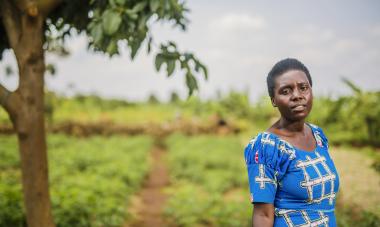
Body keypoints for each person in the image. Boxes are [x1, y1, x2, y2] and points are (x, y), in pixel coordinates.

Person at [244, 58, 340, 227]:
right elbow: (263, 215)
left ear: (311, 91)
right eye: (286, 91)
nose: (297, 96)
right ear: (273, 100)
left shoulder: (317, 135)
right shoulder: (267, 147)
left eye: (303, 88)